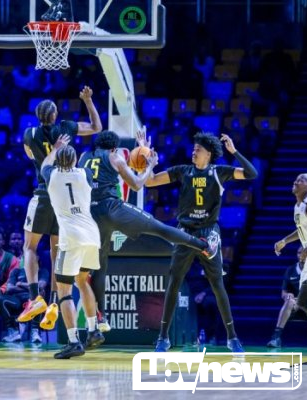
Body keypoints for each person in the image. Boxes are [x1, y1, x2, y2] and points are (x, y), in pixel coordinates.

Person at [78, 130, 218, 333]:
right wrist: (150, 165)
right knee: (158, 228)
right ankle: (203, 245)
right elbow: (136, 185)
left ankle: (102, 319)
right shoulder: (114, 157)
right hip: (112, 208)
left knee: (100, 266)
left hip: (90, 214)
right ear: (114, 148)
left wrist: (142, 148)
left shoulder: (83, 157)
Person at [146, 133, 258, 353]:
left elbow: (252, 173)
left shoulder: (219, 171)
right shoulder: (183, 170)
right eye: (194, 148)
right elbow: (150, 181)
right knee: (174, 282)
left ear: (208, 154)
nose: (194, 151)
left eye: (198, 149)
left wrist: (234, 151)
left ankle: (232, 337)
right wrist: (149, 163)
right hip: (185, 232)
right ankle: (163, 337)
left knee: (217, 285)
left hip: (209, 232)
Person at [18, 87, 102, 330]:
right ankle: (54, 301)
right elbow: (96, 127)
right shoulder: (65, 128)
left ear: (38, 116)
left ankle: (35, 297)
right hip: (63, 198)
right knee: (57, 251)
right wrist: (88, 100)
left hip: (45, 191)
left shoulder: (29, 133)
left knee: (30, 247)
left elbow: (29, 155)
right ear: (55, 116)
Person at [40, 135, 103, 359]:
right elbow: (82, 164)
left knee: (64, 290)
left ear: (58, 160)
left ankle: (74, 341)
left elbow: (44, 165)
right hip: (91, 234)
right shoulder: (85, 173)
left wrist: (55, 148)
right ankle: (94, 329)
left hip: (71, 237)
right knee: (82, 281)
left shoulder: (51, 176)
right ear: (76, 160)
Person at [274, 173, 307, 334]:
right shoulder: (298, 206)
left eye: (301, 180)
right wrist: (284, 241)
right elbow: (302, 231)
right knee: (305, 301)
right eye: (296, 179)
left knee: (305, 299)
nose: (296, 181)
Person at [267, 246, 307, 348]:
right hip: (296, 304)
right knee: (289, 301)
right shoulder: (291, 270)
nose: (302, 255)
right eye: (299, 253)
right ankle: (276, 338)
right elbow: (283, 292)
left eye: (305, 252)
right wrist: (288, 295)